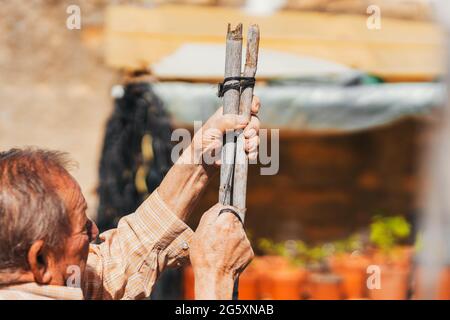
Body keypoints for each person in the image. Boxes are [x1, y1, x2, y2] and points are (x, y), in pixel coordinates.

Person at [0, 98, 261, 300]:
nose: (94, 232)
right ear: (41, 260)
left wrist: (198, 160)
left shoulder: (47, 280)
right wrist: (215, 278)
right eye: (82, 227)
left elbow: (113, 266)